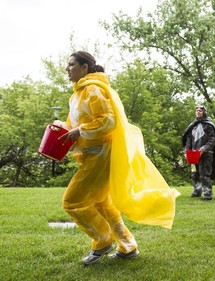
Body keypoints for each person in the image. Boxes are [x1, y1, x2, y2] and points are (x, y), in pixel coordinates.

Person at [56, 51, 179, 265]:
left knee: (72, 201)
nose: (67, 68)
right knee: (102, 203)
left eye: (71, 64)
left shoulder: (93, 89)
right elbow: (76, 124)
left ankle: (102, 240)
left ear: (84, 67)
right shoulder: (77, 94)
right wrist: (63, 128)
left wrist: (80, 131)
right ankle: (128, 245)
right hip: (89, 156)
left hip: (100, 155)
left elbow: (108, 121)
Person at [182, 106, 215, 200]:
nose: (198, 112)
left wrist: (203, 149)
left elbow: (212, 139)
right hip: (193, 154)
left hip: (206, 154)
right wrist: (186, 152)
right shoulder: (193, 126)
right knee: (194, 173)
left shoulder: (209, 125)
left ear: (204, 112)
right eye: (196, 110)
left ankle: (207, 194)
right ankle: (197, 191)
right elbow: (188, 140)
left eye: (200, 111)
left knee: (204, 174)